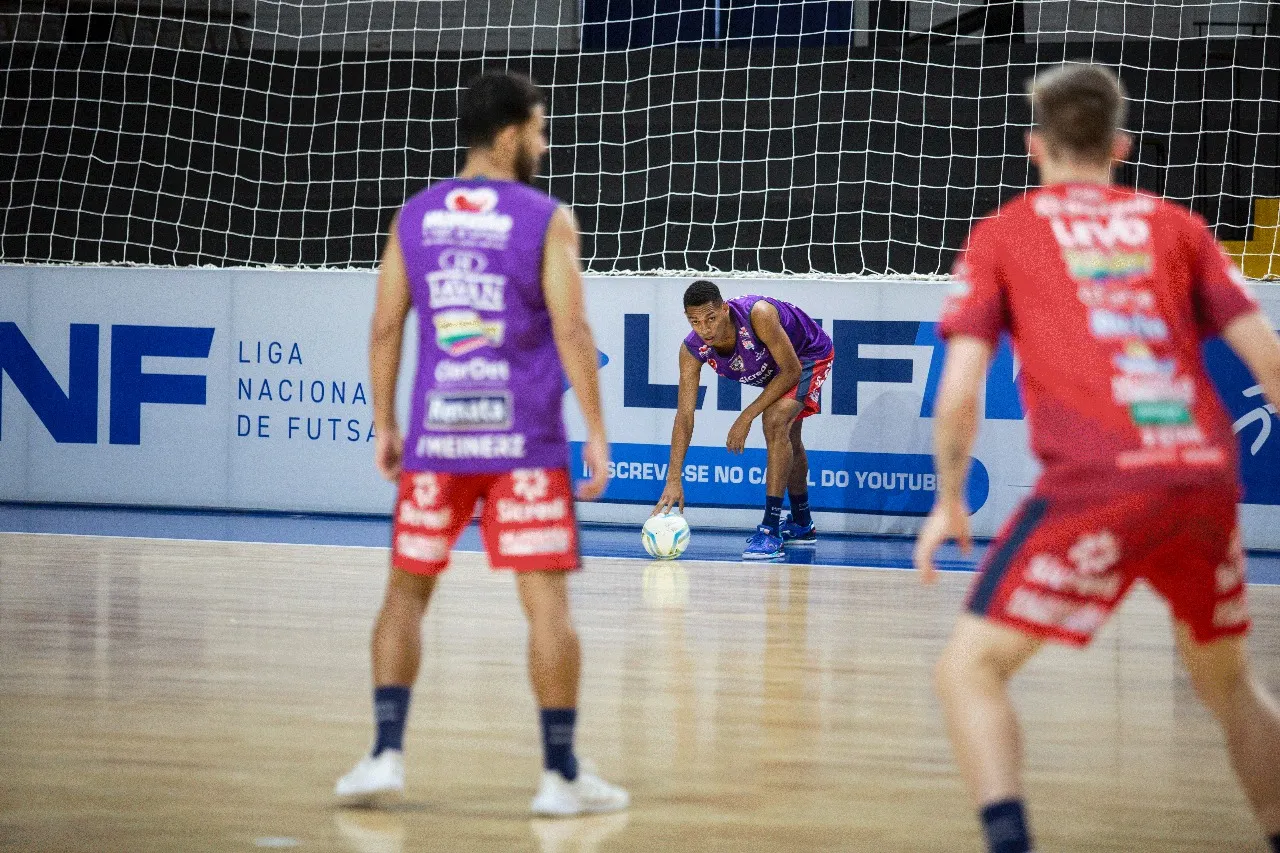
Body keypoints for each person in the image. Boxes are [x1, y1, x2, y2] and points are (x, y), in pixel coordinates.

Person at [914, 62, 1280, 853]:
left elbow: (961, 391)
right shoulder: (1177, 226)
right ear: (1120, 145)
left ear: (1032, 145)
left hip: (1100, 479)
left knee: (967, 670)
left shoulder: (1007, 231)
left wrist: (949, 498)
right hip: (1202, 474)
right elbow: (1269, 362)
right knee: (1230, 685)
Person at [335, 70, 629, 817]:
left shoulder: (415, 215)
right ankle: (560, 774)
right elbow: (572, 329)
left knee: (405, 592)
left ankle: (383, 755)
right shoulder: (545, 217)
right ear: (510, 136)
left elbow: (383, 325)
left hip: (439, 438)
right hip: (523, 440)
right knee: (547, 606)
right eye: (539, 128)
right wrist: (595, 431)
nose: (545, 142)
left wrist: (384, 422)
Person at [653, 281, 834, 560]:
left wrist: (746, 416)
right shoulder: (692, 350)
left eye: (711, 318)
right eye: (695, 322)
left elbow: (791, 371)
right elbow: (684, 415)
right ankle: (801, 522)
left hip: (806, 356)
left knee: (774, 421)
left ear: (725, 310)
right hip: (777, 366)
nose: (705, 329)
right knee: (787, 436)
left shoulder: (758, 315)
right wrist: (673, 478)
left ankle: (770, 530)